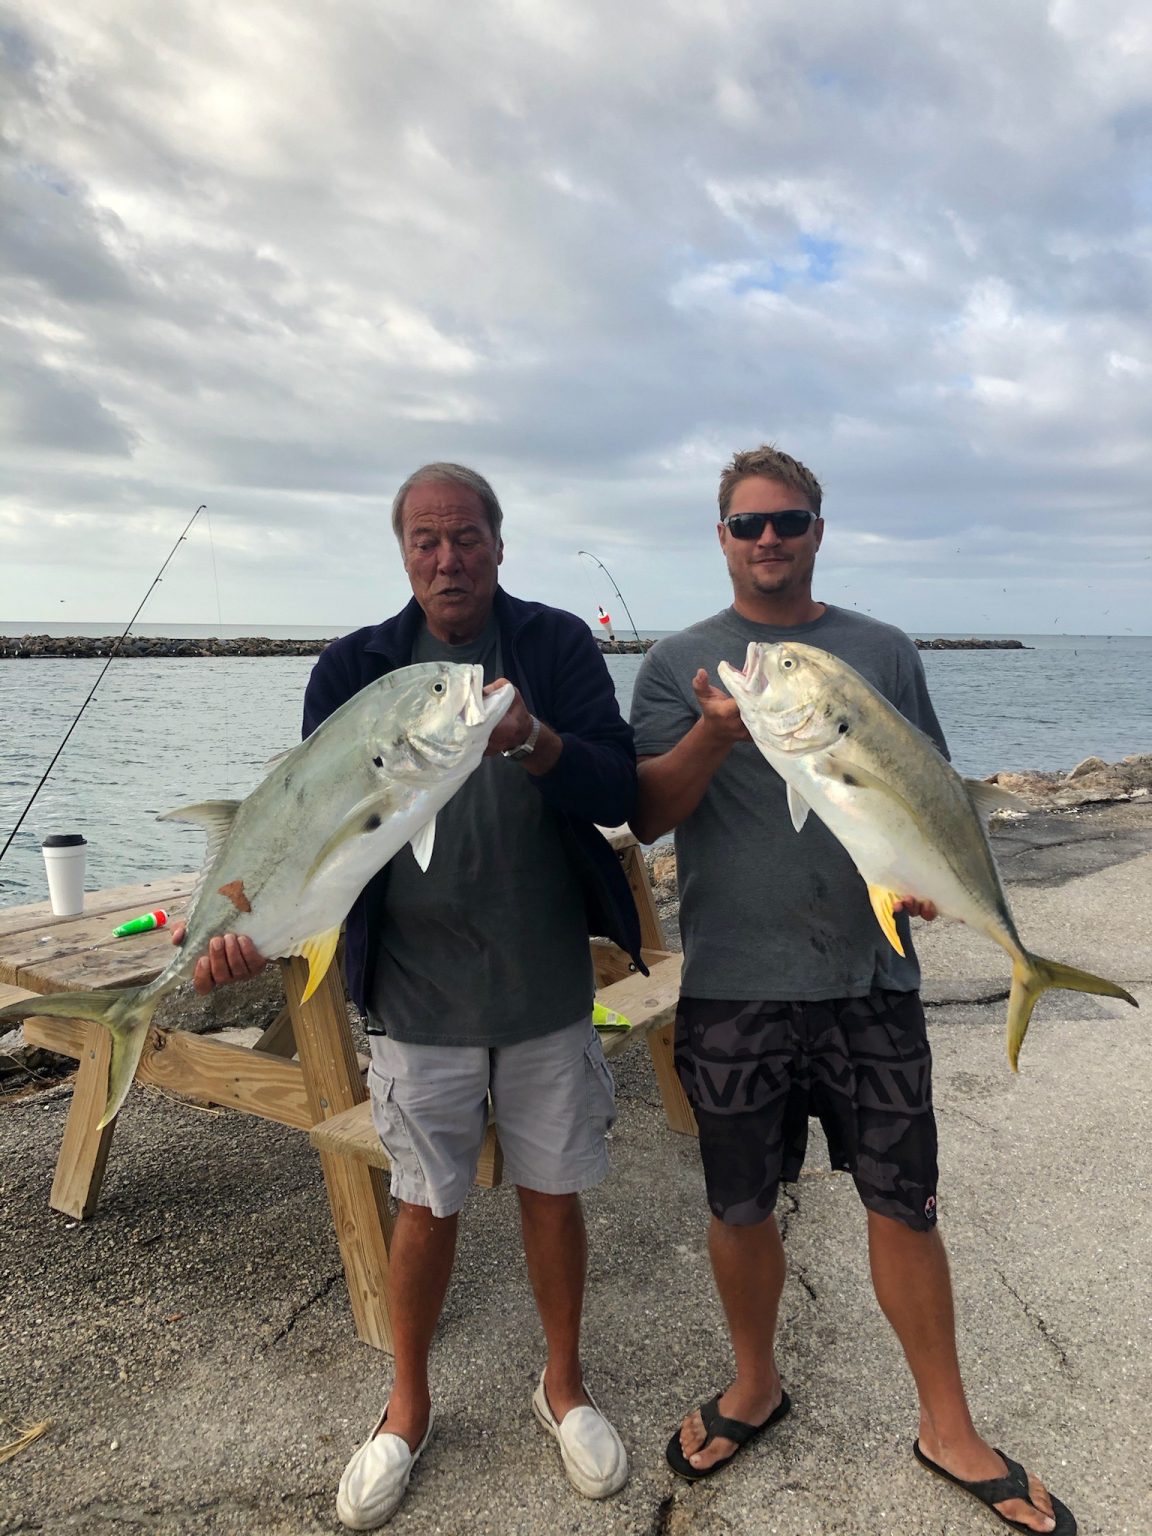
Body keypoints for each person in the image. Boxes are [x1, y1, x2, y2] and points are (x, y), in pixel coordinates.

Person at [179, 463, 641, 1528]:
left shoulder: (555, 648)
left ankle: (562, 1386)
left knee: (552, 1191)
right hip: (417, 994)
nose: (449, 558)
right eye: (427, 540)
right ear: (403, 553)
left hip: (542, 982)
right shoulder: (356, 667)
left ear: (498, 544)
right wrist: (249, 928)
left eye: (468, 537)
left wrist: (537, 743)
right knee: (424, 1204)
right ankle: (405, 1407)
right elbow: (303, 829)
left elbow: (618, 789)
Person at [627, 446, 1073, 1535]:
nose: (768, 540)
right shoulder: (679, 664)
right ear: (721, 538)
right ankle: (754, 1385)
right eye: (747, 525)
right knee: (738, 1207)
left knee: (904, 1204)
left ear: (819, 529)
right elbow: (646, 815)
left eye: (788, 521)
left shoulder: (881, 651)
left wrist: (933, 886)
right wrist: (714, 733)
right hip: (735, 985)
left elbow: (928, 793)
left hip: (872, 975)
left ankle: (947, 1424)